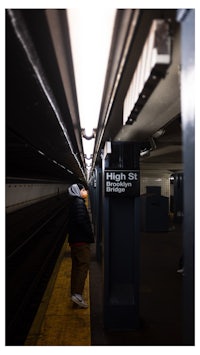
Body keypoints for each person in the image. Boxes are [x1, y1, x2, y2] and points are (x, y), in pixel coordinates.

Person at [67, 183, 94, 308]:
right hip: (81, 242)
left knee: (76, 267)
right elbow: (81, 222)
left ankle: (74, 293)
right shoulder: (79, 204)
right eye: (83, 189)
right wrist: (90, 234)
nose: (85, 192)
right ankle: (77, 294)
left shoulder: (74, 203)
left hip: (75, 241)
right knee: (83, 266)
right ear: (78, 191)